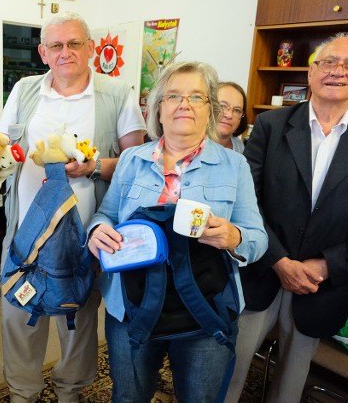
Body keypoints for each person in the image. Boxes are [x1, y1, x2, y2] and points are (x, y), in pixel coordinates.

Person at [225, 32, 348, 403]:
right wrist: (279, 260)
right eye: (328, 62)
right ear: (310, 73)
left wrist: (324, 267)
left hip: (323, 283)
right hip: (262, 269)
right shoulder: (271, 126)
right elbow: (247, 201)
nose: (338, 71)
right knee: (230, 366)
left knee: (291, 382)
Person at [87, 61, 268, 402]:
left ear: (209, 111)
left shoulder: (235, 165)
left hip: (206, 310)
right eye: (173, 96)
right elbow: (105, 214)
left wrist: (235, 238)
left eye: (196, 97)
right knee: (128, 397)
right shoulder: (131, 159)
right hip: (132, 306)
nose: (184, 104)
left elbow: (257, 239)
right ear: (158, 110)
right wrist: (98, 231)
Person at [0, 11, 146, 403]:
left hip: (86, 236)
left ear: (91, 48)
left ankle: (70, 393)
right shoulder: (25, 90)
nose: (66, 52)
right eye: (57, 45)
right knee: (18, 312)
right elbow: (1, 148)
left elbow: (137, 163)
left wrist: (95, 167)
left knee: (77, 318)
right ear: (43, 52)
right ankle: (22, 393)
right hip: (26, 234)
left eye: (75, 43)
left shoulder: (116, 94)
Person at [217, 81, 248, 153]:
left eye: (237, 110)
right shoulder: (190, 145)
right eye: (222, 106)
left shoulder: (239, 147)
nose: (229, 115)